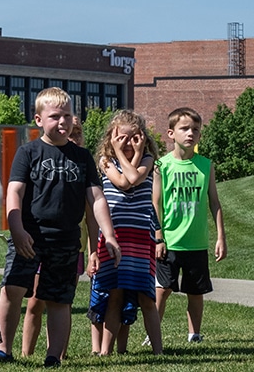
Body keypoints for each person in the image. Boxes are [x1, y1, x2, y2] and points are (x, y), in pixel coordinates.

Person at [0, 89, 120, 366]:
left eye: (67, 116)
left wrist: (109, 235)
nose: (62, 121)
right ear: (39, 120)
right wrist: (17, 229)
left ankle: (53, 357)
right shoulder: (28, 152)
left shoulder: (82, 157)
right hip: (29, 235)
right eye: (54, 116)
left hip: (65, 239)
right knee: (12, 289)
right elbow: (14, 192)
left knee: (59, 299)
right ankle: (4, 350)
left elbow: (97, 198)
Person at [87, 111, 163, 355]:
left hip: (140, 239)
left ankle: (158, 350)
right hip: (115, 237)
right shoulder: (106, 161)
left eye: (134, 138)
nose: (128, 143)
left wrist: (138, 153)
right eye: (122, 138)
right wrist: (119, 152)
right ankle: (105, 351)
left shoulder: (147, 160)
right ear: (112, 138)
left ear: (143, 138)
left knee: (146, 297)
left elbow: (133, 178)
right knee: (115, 294)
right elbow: (122, 183)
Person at [154, 107, 227, 342]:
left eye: (195, 129)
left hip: (197, 242)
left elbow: (214, 202)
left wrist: (220, 237)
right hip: (170, 242)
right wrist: (158, 237)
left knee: (196, 291)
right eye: (184, 128)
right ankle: (153, 333)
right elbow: (155, 204)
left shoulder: (206, 165)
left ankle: (194, 334)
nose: (190, 133)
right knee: (162, 290)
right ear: (171, 133)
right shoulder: (161, 166)